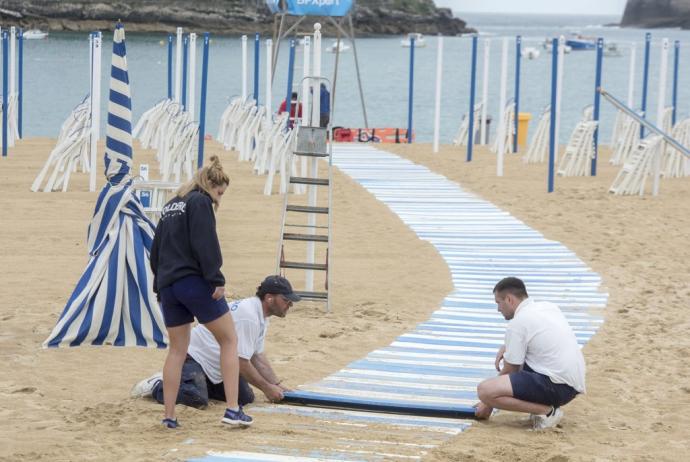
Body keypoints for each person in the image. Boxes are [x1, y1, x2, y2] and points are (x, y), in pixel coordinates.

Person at [149, 155, 252, 429]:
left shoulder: (171, 205)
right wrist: (216, 278)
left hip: (168, 285)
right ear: (211, 186)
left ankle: (169, 416)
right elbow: (205, 242)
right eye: (220, 193)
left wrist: (159, 284)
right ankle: (232, 409)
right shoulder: (201, 201)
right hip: (193, 281)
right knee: (229, 340)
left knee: (177, 351)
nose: (220, 199)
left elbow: (156, 250)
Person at [131, 275, 300, 409]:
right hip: (195, 358)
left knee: (245, 398)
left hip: (217, 367)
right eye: (286, 300)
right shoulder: (249, 316)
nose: (290, 304)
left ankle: (198, 384)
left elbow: (257, 356)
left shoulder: (260, 315)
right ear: (269, 298)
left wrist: (276, 384)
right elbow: (241, 362)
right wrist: (267, 388)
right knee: (194, 399)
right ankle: (157, 385)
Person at [474, 277, 586, 430]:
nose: (498, 309)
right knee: (521, 358)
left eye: (498, 303)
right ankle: (543, 408)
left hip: (557, 387)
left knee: (485, 391)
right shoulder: (548, 307)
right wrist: (508, 346)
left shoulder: (517, 323)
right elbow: (539, 337)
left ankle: (547, 412)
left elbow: (510, 371)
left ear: (509, 299)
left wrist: (487, 403)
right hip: (572, 384)